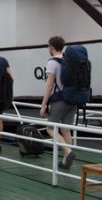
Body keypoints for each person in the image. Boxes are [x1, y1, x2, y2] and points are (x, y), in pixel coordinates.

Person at [40, 36, 76, 168]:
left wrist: (43, 105)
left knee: (50, 128)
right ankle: (66, 161)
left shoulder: (52, 62)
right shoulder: (69, 59)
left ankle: (69, 151)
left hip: (59, 100)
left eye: (48, 46)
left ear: (52, 47)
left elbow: (49, 85)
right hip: (73, 99)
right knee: (66, 130)